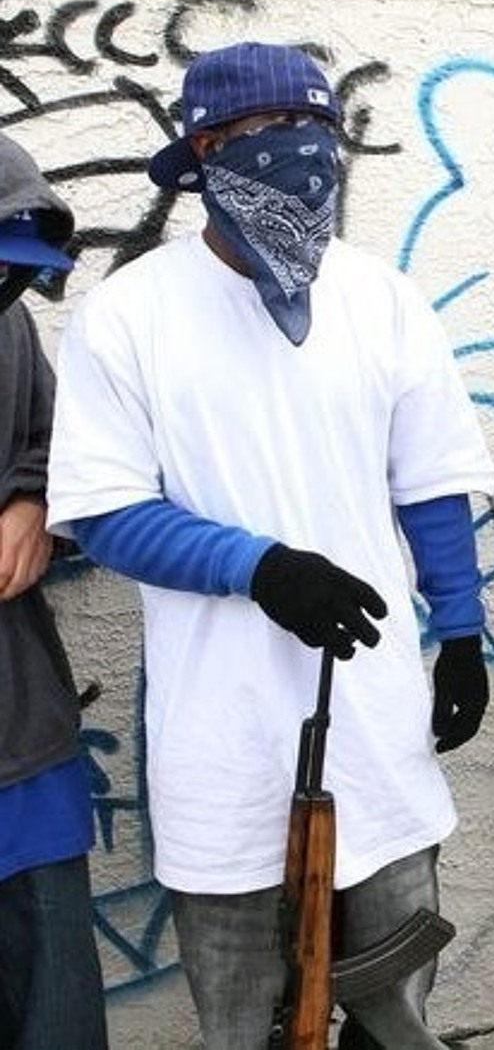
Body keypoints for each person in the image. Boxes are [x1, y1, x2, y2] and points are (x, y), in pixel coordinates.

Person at [45, 41, 494, 1050]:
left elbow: (430, 482)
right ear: (204, 153)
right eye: (266, 133)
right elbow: (105, 512)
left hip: (376, 725)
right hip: (225, 741)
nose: (302, 152)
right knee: (243, 1021)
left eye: (316, 129)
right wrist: (260, 568)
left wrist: (461, 631)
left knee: (397, 1012)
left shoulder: (383, 300)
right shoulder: (128, 316)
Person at [0, 134, 108, 1050]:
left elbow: (63, 443)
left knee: (54, 1010)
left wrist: (35, 503)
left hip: (18, 734)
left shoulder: (8, 326)